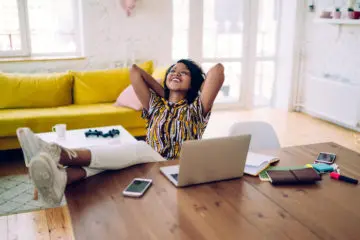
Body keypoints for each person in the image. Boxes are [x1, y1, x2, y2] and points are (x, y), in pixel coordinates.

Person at [16, 59, 224, 206]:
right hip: (147, 163)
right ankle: (62, 179)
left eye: (184, 72)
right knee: (114, 160)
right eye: (172, 70)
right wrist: (166, 93)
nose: (175, 73)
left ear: (194, 82)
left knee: (138, 147)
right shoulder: (155, 106)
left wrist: (175, 91)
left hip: (174, 168)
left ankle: (59, 154)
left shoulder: (196, 109)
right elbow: (134, 71)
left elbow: (218, 70)